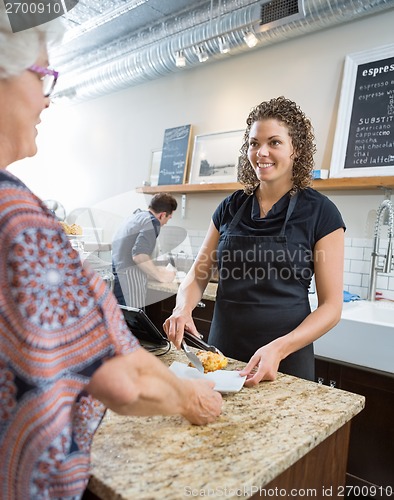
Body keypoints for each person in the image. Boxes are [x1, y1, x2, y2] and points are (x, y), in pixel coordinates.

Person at [0, 10, 222, 500]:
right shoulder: (17, 219)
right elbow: (118, 380)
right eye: (43, 76)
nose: (47, 99)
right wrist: (189, 397)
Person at [164, 96, 345, 385]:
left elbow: (332, 307)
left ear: (295, 149)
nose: (261, 152)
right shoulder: (230, 207)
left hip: (284, 361)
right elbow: (197, 276)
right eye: (254, 143)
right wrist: (181, 309)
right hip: (222, 355)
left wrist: (280, 347)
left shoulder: (321, 213)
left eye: (274, 142)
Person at [112, 193, 178, 308]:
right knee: (134, 323)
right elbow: (139, 255)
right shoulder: (153, 222)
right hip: (129, 281)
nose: (166, 222)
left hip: (117, 277)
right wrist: (161, 276)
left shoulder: (136, 216)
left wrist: (155, 270)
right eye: (168, 218)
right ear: (162, 215)